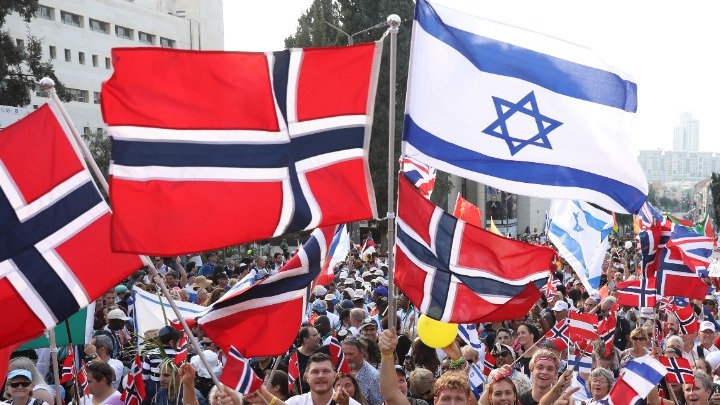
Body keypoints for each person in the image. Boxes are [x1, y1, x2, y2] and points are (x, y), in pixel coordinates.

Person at [245, 353, 361, 405]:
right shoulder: (295, 402)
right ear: (306, 376)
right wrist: (264, 398)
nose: (320, 376)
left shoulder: (350, 404)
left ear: (335, 375)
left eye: (326, 371)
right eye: (315, 372)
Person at [341, 337, 382, 405]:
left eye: (351, 354)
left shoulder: (373, 377)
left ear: (362, 352)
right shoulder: (340, 372)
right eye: (344, 354)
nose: (347, 358)